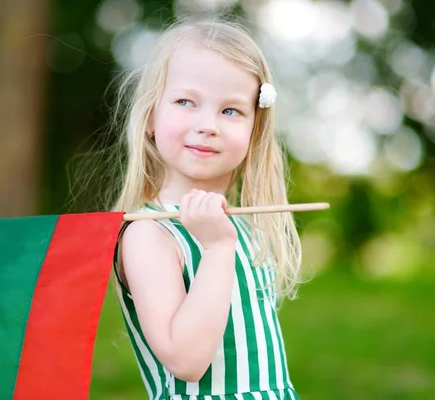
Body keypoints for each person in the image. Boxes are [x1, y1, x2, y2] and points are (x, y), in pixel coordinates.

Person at [110, 16, 304, 400]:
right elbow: (186, 361)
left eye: (230, 111)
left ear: (255, 130)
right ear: (151, 117)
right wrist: (216, 249)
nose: (208, 125)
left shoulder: (242, 226)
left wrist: (221, 240)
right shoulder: (150, 234)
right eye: (186, 102)